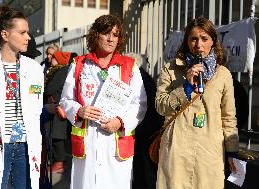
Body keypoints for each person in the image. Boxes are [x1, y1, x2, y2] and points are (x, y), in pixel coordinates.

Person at [59, 15, 147, 189]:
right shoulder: (79, 64)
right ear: (95, 35)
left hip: (116, 145)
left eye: (115, 35)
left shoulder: (130, 66)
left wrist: (121, 122)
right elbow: (65, 99)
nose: (110, 39)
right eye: (106, 33)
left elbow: (139, 104)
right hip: (87, 145)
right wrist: (79, 111)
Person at [155, 17, 239, 189]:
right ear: (186, 41)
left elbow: (228, 117)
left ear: (213, 41)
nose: (198, 44)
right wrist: (186, 86)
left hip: (208, 151)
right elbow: (160, 106)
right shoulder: (171, 69)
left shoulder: (223, 74)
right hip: (177, 150)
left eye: (204, 39)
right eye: (193, 39)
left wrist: (232, 151)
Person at [0, 6, 44, 189]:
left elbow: (36, 109)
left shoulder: (34, 69)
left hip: (25, 147)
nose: (28, 37)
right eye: (22, 32)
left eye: (27, 32)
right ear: (5, 35)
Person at [43, 51, 71, 174]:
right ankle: (56, 162)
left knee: (57, 136)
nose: (51, 58)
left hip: (58, 107)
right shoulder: (56, 70)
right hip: (55, 106)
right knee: (54, 135)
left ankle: (59, 163)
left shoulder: (61, 71)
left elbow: (50, 89)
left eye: (53, 57)